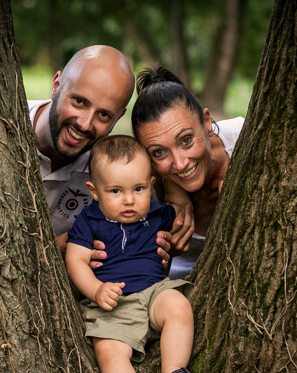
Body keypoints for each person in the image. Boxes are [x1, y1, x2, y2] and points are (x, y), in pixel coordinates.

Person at [64, 135, 214, 373]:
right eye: (116, 191)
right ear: (94, 191)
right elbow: (75, 260)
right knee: (109, 349)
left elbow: (181, 205)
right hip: (113, 301)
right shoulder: (89, 220)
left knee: (178, 306)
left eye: (139, 188)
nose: (129, 200)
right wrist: (95, 290)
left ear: (151, 184)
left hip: (154, 291)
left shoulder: (158, 213)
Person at [27, 46, 192, 263]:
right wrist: (53, 248)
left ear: (118, 118)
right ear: (56, 86)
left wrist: (177, 213)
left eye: (103, 115)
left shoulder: (109, 165)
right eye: (79, 101)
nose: (84, 124)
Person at [131, 66, 245, 279]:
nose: (180, 164)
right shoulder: (145, 190)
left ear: (207, 122)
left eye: (186, 140)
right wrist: (165, 254)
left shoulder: (245, 141)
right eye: (159, 152)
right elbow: (146, 281)